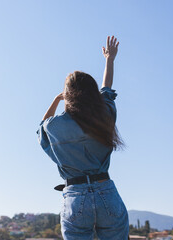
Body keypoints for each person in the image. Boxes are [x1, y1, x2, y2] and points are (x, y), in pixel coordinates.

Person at [37, 36, 129, 239]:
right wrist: (109, 60)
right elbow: (106, 90)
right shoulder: (104, 115)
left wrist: (56, 100)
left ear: (67, 95)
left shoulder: (55, 126)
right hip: (107, 191)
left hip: (75, 197)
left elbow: (40, 129)